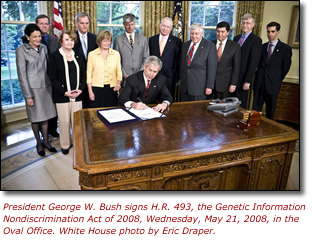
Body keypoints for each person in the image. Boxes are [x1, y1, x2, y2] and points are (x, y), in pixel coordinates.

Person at [16, 24, 57, 156]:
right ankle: (38, 143)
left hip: (46, 87)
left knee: (45, 117)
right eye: (34, 37)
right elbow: (22, 75)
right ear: (27, 37)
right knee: (35, 118)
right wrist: (28, 96)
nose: (38, 39)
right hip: (32, 89)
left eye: (39, 36)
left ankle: (46, 141)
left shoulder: (44, 48)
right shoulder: (21, 50)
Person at [49, 30, 86, 155]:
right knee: (64, 122)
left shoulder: (79, 55)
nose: (70, 42)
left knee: (77, 123)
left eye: (72, 40)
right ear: (61, 41)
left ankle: (77, 144)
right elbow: (53, 78)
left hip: (78, 95)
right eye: (67, 39)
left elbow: (84, 75)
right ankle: (65, 145)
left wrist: (80, 89)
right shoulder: (54, 56)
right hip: (62, 96)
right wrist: (65, 92)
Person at [253, 21, 292, 120]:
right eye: (268, 31)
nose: (270, 34)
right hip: (259, 83)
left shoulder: (285, 49)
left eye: (272, 31)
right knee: (255, 111)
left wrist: (276, 79)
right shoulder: (262, 47)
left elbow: (285, 67)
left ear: (278, 32)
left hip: (273, 84)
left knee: (270, 111)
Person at [35, 14, 60, 137]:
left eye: (46, 23)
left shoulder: (55, 40)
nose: (44, 26)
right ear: (36, 25)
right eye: (41, 23)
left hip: (53, 79)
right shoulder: (32, 41)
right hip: (38, 80)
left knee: (53, 105)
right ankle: (42, 132)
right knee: (40, 107)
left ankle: (53, 129)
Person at [180, 23, 217, 101]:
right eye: (192, 33)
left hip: (199, 88)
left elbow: (212, 69)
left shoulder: (210, 46)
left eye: (196, 33)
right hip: (185, 87)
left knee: (197, 112)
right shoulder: (185, 45)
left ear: (202, 34)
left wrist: (209, 86)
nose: (194, 36)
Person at [86, 30, 122, 108]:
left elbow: (119, 71)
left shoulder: (116, 54)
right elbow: (89, 74)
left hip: (112, 89)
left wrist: (118, 84)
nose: (107, 43)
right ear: (99, 41)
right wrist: (90, 91)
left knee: (111, 112)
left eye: (109, 41)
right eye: (105, 41)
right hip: (96, 89)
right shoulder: (92, 54)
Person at [233, 13, 262, 109]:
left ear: (253, 25)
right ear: (240, 24)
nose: (245, 25)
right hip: (233, 77)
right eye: (243, 23)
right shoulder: (236, 38)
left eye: (248, 23)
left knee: (240, 105)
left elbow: (254, 62)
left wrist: (248, 81)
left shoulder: (256, 40)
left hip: (243, 79)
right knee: (230, 103)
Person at [149, 17, 182, 100]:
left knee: (167, 102)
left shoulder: (176, 41)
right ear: (160, 26)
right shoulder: (152, 40)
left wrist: (176, 79)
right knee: (152, 101)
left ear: (171, 28)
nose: (165, 28)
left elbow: (178, 61)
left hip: (169, 79)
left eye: (168, 27)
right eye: (163, 25)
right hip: (153, 77)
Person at [113, 13, 149, 86]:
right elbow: (116, 60)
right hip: (125, 78)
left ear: (135, 24)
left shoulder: (143, 39)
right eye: (127, 24)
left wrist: (140, 74)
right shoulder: (118, 40)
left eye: (132, 24)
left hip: (140, 77)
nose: (130, 27)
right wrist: (124, 74)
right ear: (123, 24)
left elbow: (146, 58)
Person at [209, 21, 241, 100]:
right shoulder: (210, 44)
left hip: (225, 85)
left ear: (228, 32)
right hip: (210, 85)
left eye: (222, 32)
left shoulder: (235, 46)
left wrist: (233, 84)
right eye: (218, 31)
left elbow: (236, 67)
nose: (220, 34)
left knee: (222, 109)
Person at [73, 12, 98, 108]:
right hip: (77, 76)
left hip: (92, 77)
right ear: (76, 23)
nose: (85, 26)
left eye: (86, 23)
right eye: (82, 23)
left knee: (91, 105)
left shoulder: (94, 38)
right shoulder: (71, 38)